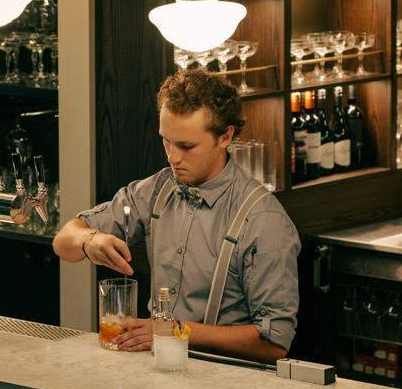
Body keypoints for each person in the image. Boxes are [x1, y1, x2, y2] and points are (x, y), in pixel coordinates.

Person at [53, 69, 300, 365]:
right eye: (166, 141)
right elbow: (64, 241)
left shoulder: (263, 220)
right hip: (158, 370)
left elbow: (274, 343)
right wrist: (89, 240)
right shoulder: (157, 189)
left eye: (186, 146)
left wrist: (176, 331)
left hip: (228, 383)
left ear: (225, 136)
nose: (171, 157)